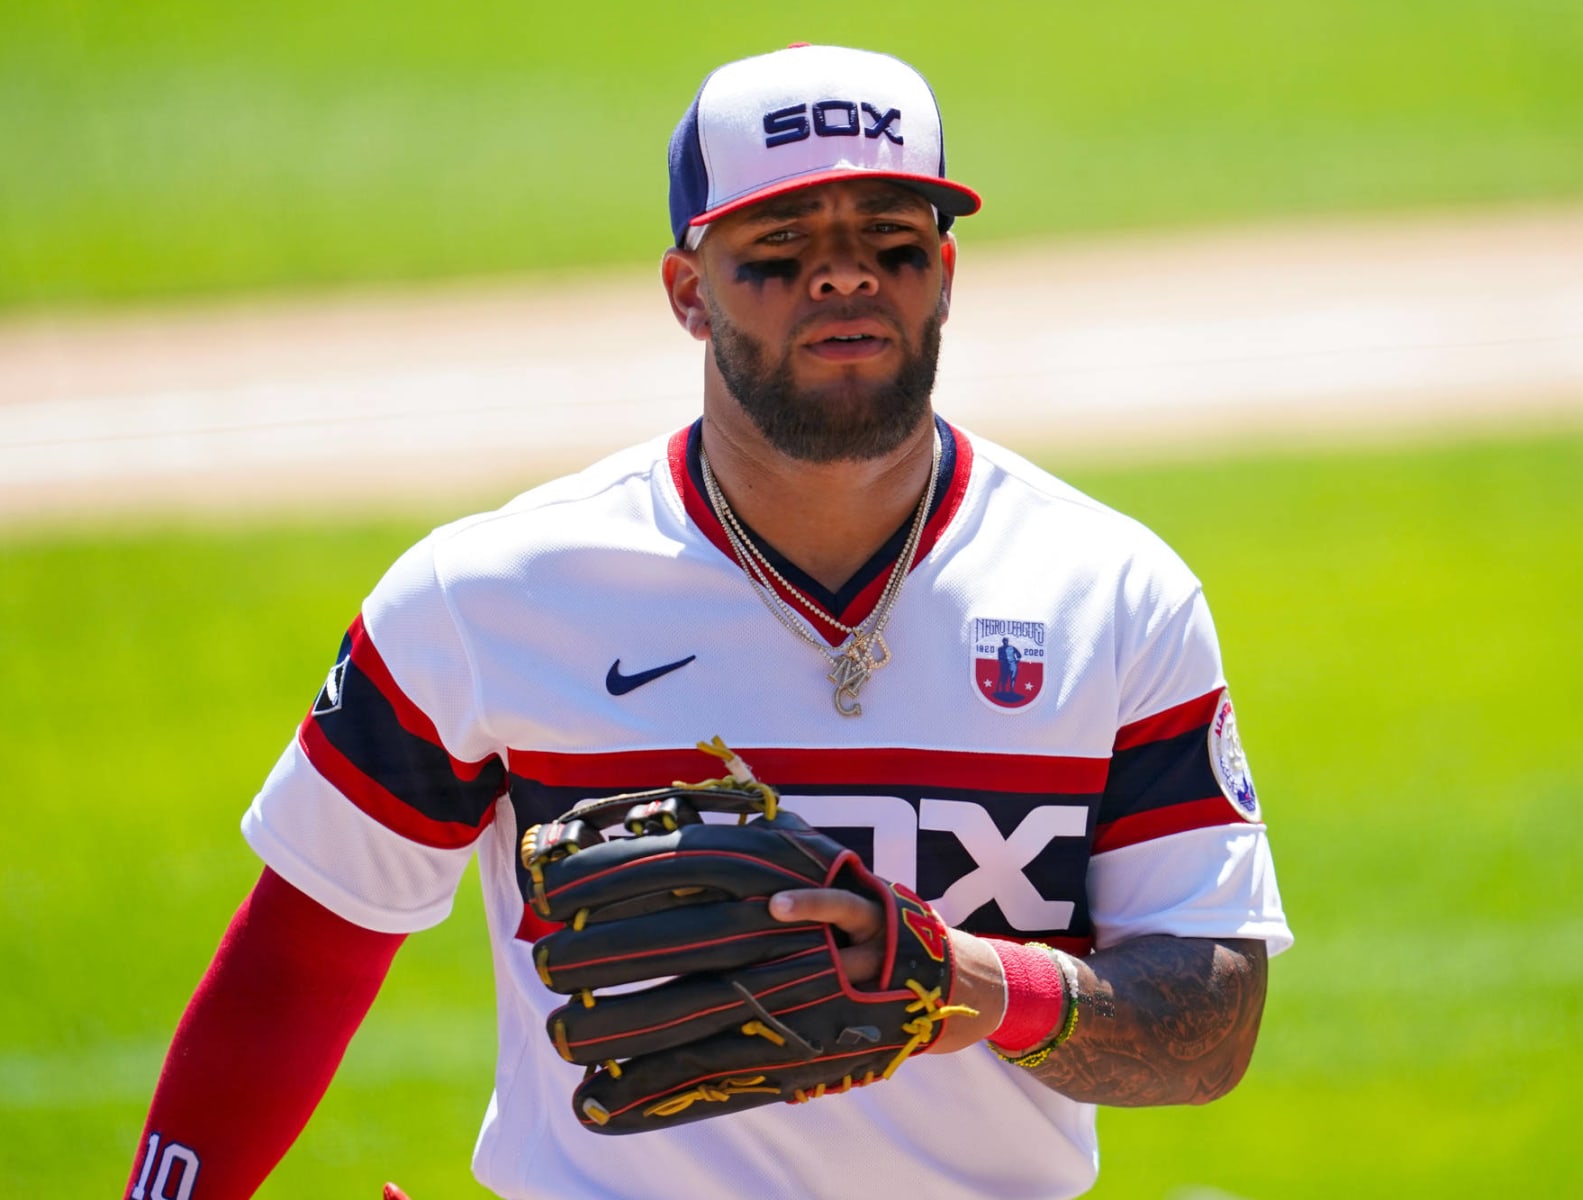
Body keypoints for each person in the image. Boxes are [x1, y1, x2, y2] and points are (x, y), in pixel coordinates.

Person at [126, 43, 1291, 1200]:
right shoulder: (490, 596)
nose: (843, 279)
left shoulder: (1111, 595)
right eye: (778, 253)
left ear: (945, 273)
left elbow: (1210, 1019)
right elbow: (299, 962)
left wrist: (972, 983)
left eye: (889, 241)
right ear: (689, 294)